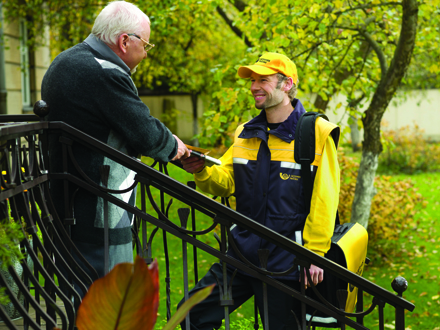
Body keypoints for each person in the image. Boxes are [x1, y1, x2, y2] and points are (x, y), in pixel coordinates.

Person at [179, 52, 340, 329]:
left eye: (262, 80)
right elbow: (228, 180)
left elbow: (325, 199)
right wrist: (201, 169)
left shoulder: (318, 132)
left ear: (286, 84)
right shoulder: (245, 132)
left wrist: (315, 254)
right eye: (252, 80)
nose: (253, 86)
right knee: (190, 315)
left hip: (287, 263)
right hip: (241, 254)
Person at [41, 0, 190, 289]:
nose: (146, 53)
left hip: (68, 202)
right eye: (145, 45)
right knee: (108, 301)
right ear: (124, 41)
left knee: (78, 300)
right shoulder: (104, 71)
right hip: (100, 209)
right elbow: (143, 130)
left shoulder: (66, 59)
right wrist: (173, 146)